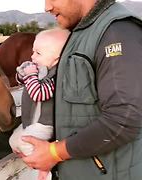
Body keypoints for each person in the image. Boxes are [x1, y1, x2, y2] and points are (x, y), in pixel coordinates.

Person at [20, 0, 142, 180]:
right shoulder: (81, 33)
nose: (47, 7)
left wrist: (54, 152)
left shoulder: (115, 32)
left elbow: (123, 118)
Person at [9, 28, 70, 180]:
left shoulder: (55, 77)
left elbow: (38, 94)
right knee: (13, 141)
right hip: (32, 122)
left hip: (44, 124)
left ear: (56, 59)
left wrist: (31, 75)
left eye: (38, 53)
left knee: (24, 143)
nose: (32, 56)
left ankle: (45, 168)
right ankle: (32, 161)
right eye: (33, 51)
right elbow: (23, 81)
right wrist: (23, 73)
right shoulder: (42, 70)